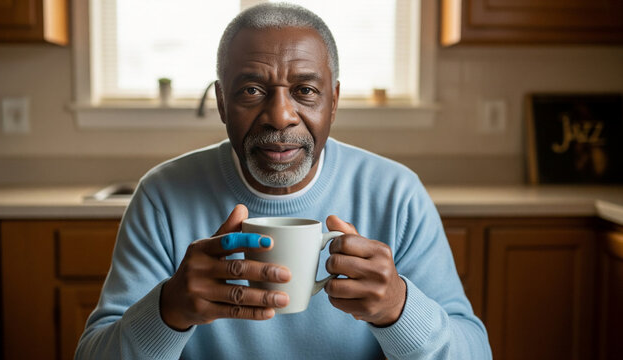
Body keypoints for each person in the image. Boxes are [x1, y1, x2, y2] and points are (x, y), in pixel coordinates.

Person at [75, 3, 491, 359]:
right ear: (221, 102)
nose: (280, 116)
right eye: (252, 90)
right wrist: (169, 310)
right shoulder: (161, 197)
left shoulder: (396, 195)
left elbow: (476, 351)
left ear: (334, 102)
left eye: (305, 90)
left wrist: (399, 307)